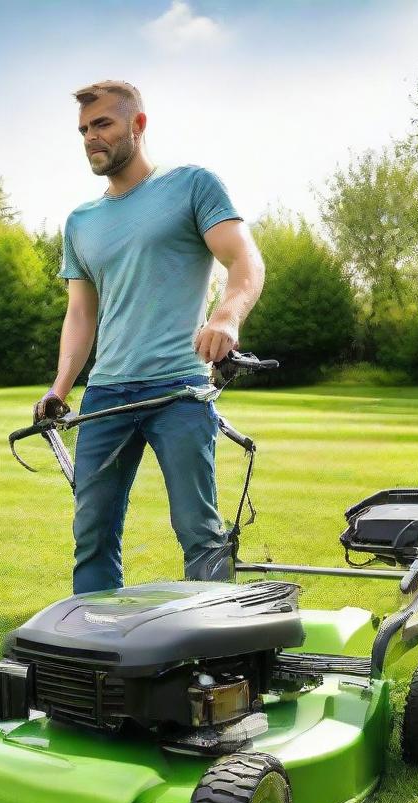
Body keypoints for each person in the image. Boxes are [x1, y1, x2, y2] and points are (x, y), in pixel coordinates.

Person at [36, 79, 265, 595]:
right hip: (106, 396)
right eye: (83, 130)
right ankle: (96, 649)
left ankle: (216, 649)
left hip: (178, 390)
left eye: (103, 124)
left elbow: (244, 259)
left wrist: (226, 317)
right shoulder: (81, 221)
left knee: (198, 531)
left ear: (137, 126)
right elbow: (80, 313)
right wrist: (60, 386)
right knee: (91, 534)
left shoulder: (191, 185)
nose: (91, 137)